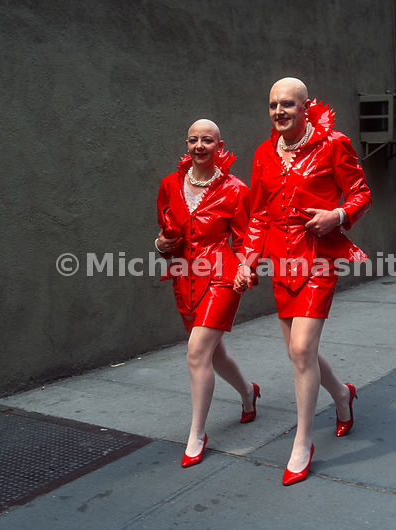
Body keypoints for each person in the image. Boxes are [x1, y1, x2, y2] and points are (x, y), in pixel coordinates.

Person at [234, 77, 371, 486]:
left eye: (288, 104)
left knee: (301, 348)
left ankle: (303, 441)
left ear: (305, 106)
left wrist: (337, 215)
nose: (279, 111)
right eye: (273, 104)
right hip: (281, 262)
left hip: (319, 259)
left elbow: (361, 193)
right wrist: (247, 261)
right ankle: (342, 394)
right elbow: (259, 215)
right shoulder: (264, 153)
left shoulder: (334, 144)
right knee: (300, 353)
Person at [155, 119, 260, 468]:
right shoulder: (169, 185)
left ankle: (197, 434)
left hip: (222, 276)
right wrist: (161, 245)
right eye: (193, 140)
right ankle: (248, 392)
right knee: (214, 354)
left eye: (207, 140)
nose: (199, 146)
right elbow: (165, 236)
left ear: (219, 146)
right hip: (185, 277)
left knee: (197, 352)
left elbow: (247, 239)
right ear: (186, 144)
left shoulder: (236, 189)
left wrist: (245, 268)